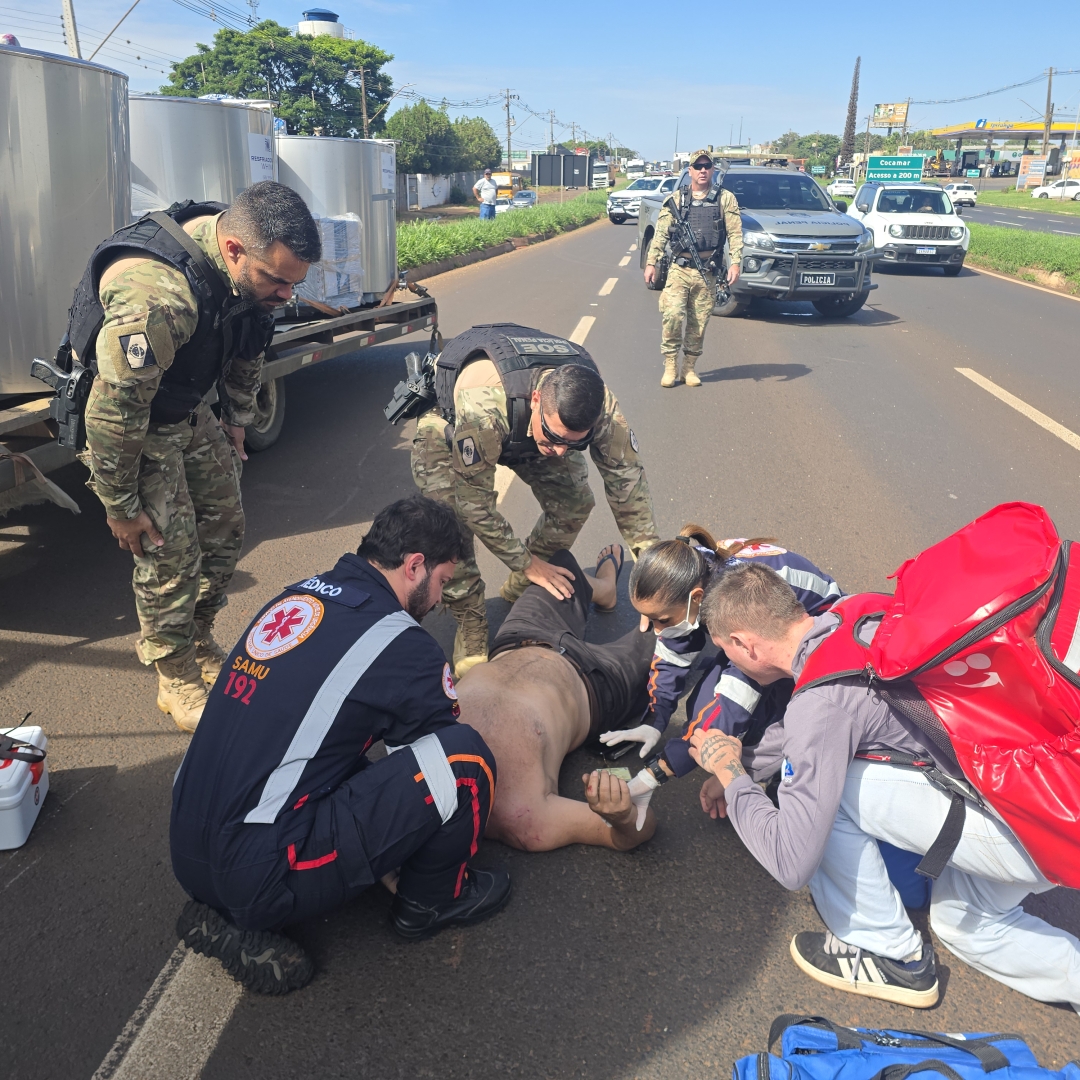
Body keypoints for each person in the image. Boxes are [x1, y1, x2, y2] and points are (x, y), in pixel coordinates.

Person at [688, 562, 1080, 1012]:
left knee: (832, 792)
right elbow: (826, 716)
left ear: (743, 644)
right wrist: (750, 766)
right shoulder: (854, 613)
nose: (729, 663)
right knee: (962, 923)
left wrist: (733, 778)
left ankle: (889, 952)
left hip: (1029, 815)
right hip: (1059, 787)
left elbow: (790, 861)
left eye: (726, 652)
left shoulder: (817, 707)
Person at [170, 496, 511, 994]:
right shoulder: (402, 641)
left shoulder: (296, 598)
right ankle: (431, 903)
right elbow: (432, 747)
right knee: (464, 760)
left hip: (187, 848)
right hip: (260, 870)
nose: (440, 599)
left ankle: (224, 899)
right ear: (415, 565)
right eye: (442, 581)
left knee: (336, 747)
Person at [72, 181, 320, 732]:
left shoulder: (249, 277)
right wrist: (119, 503)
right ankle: (176, 675)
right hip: (136, 425)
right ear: (234, 250)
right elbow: (113, 410)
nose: (285, 295)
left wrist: (236, 422)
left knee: (227, 530)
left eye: (293, 283)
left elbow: (247, 348)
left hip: (188, 410)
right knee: (168, 554)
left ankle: (198, 636)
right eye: (276, 280)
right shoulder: (158, 298)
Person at [411, 322, 659, 678]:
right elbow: (474, 505)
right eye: (557, 437)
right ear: (538, 399)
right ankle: (471, 620)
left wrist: (656, 577)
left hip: (524, 427)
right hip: (452, 429)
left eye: (575, 443)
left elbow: (628, 482)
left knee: (575, 501)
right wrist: (526, 562)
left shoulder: (600, 404)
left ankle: (523, 584)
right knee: (451, 522)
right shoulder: (485, 407)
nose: (560, 451)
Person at [600, 526, 840, 810]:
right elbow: (674, 651)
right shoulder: (691, 573)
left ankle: (786, 772)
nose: (656, 629)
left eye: (661, 619)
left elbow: (732, 702)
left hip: (821, 638)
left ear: (697, 598)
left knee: (767, 721)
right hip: (764, 626)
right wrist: (656, 716)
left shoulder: (740, 604)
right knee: (702, 706)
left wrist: (656, 773)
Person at [458, 544, 657, 851]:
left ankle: (603, 589)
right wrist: (622, 816)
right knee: (674, 629)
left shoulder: (412, 756)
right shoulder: (526, 821)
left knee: (562, 566)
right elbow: (633, 833)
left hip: (520, 636)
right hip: (595, 682)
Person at [644, 150, 743, 389]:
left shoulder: (725, 198)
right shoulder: (676, 199)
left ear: (712, 170)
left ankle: (688, 368)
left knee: (699, 322)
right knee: (673, 316)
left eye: (707, 166)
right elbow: (661, 233)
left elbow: (735, 233)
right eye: (697, 167)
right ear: (690, 171)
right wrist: (651, 261)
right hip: (679, 269)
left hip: (707, 271)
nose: (702, 171)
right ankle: (670, 365)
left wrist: (736, 262)